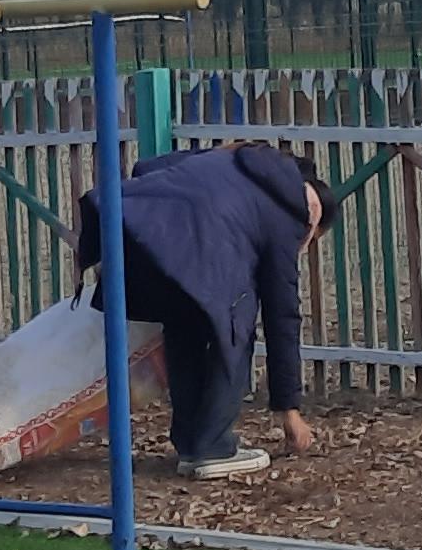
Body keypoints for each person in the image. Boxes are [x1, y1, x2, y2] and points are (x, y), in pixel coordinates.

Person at [79, 143, 326, 479]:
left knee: (184, 324)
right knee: (237, 319)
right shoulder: (288, 209)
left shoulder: (231, 161)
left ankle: (192, 446)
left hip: (138, 239)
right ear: (314, 217)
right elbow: (282, 313)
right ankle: (214, 449)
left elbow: (147, 168)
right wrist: (289, 411)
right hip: (193, 253)